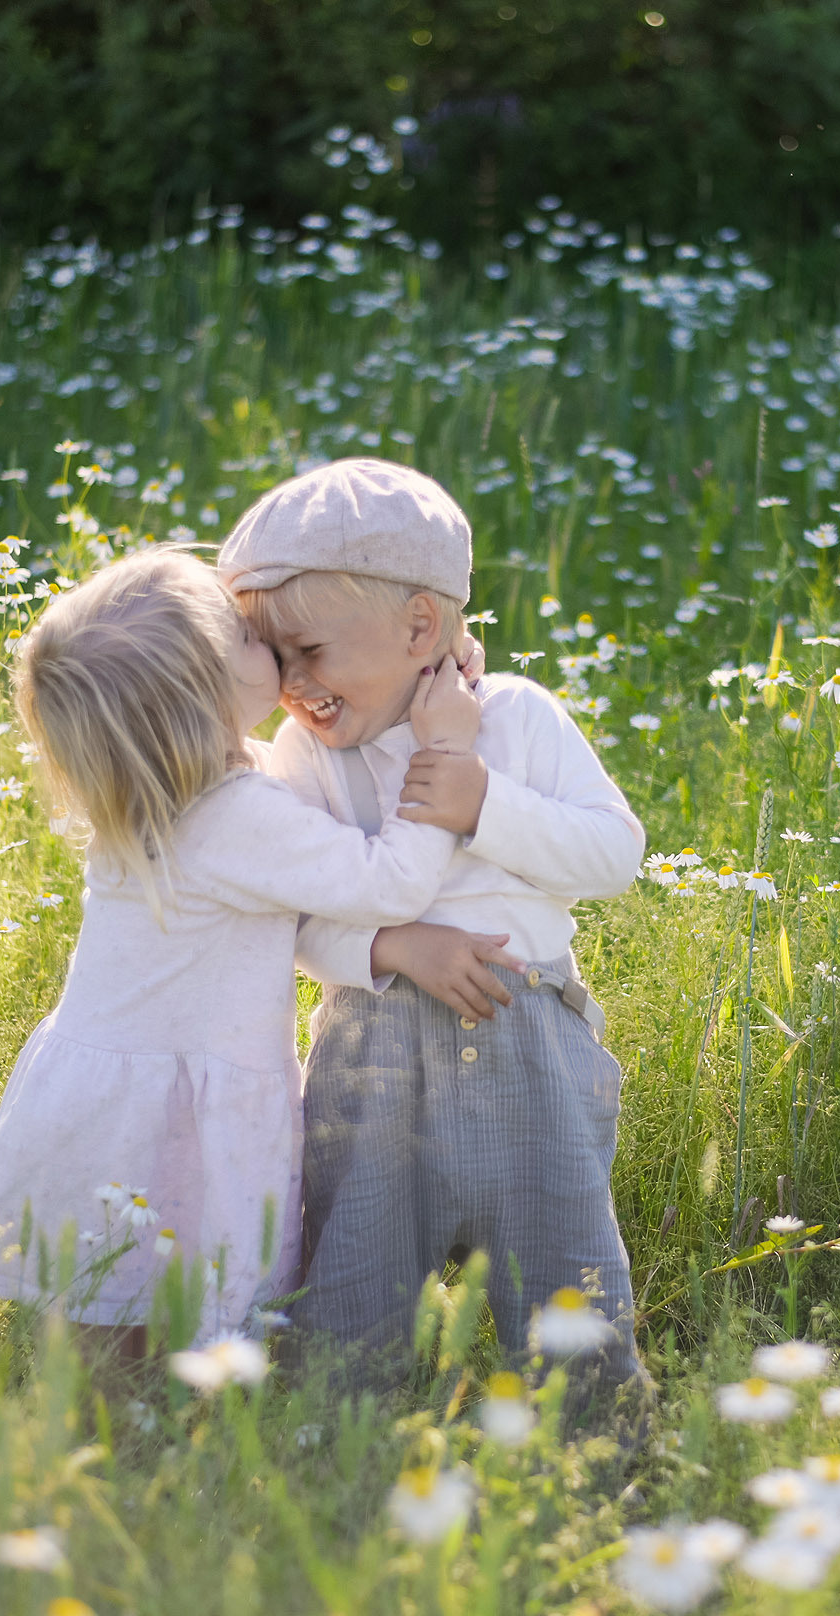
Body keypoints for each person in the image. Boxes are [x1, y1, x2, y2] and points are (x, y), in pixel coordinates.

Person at [0, 545, 478, 1354]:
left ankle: (113, 1445)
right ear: (202, 698)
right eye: (241, 638)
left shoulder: (151, 799)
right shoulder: (235, 819)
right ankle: (147, 1448)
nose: (264, 640)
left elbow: (295, 812)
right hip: (178, 1104)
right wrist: (445, 749)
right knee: (160, 1335)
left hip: (112, 1105)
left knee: (112, 1311)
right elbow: (390, 881)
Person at [221, 457, 649, 1389]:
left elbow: (613, 854)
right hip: (373, 1057)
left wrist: (486, 804)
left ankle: (597, 1457)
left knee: (564, 1277)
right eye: (274, 658)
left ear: (422, 625)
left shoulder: (517, 719)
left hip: (527, 1044)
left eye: (311, 652)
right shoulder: (304, 757)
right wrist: (395, 947)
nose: (295, 685)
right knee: (352, 1283)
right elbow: (290, 918)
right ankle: (333, 1448)